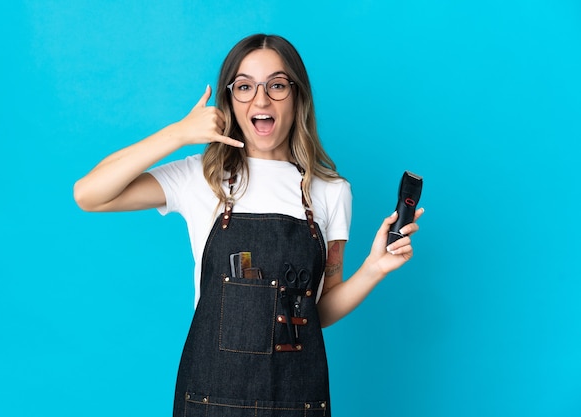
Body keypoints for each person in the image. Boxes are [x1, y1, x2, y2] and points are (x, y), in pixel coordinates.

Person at [74, 33, 423, 417]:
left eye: (276, 85)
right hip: (210, 401)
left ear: (297, 95)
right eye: (244, 87)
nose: (261, 100)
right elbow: (89, 194)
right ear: (229, 101)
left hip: (296, 403)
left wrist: (374, 269)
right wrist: (178, 134)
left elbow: (317, 313)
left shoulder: (331, 191)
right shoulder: (202, 177)